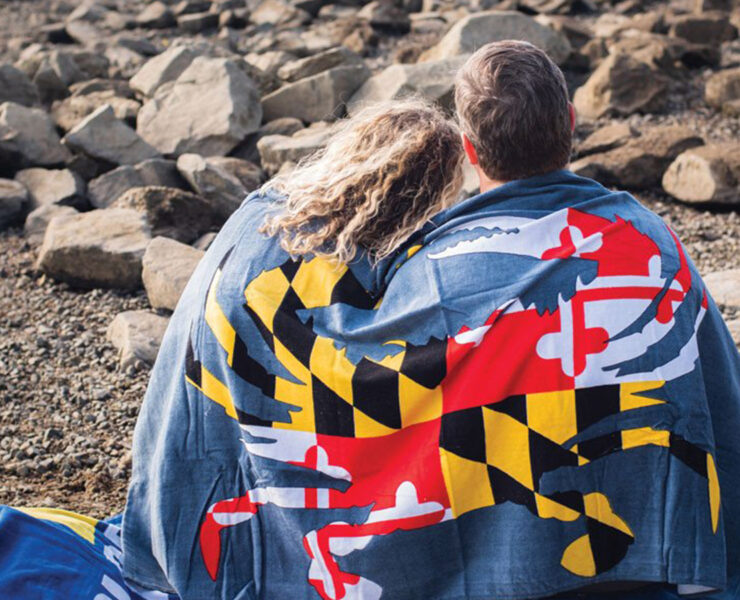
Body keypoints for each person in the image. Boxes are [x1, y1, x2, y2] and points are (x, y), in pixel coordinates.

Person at [118, 43, 740, 600]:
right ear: (570, 125)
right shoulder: (650, 243)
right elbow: (715, 399)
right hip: (635, 554)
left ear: (469, 150)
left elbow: (360, 362)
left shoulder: (437, 273)